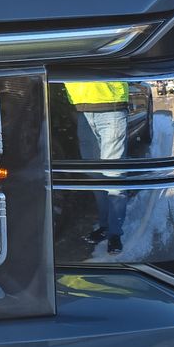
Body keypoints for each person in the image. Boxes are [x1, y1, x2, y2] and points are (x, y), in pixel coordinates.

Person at [66, 80, 130, 254]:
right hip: (82, 111)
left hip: (111, 109)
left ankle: (114, 234)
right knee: (96, 178)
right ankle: (105, 227)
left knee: (113, 179)